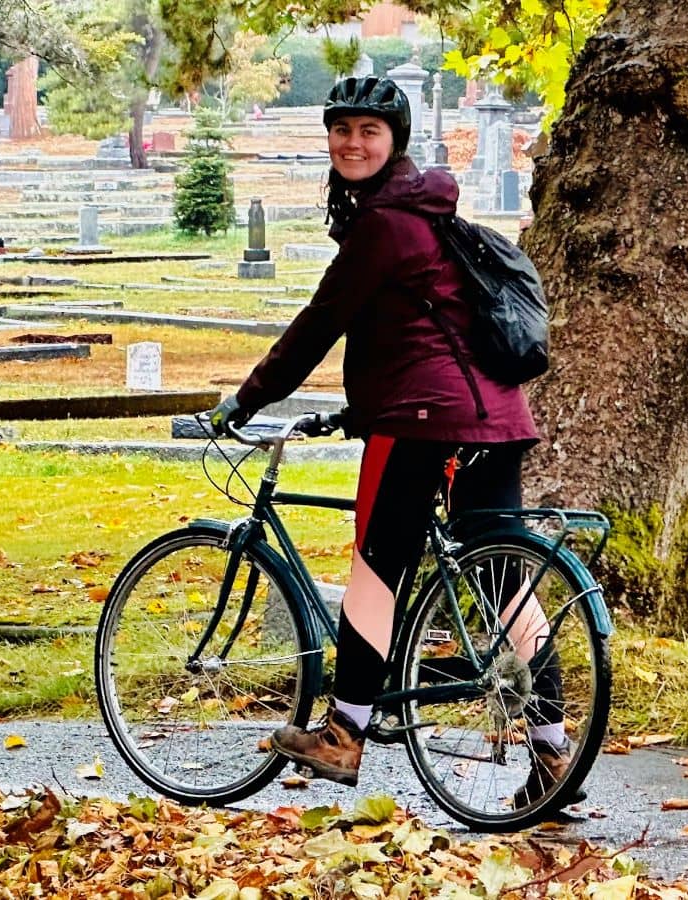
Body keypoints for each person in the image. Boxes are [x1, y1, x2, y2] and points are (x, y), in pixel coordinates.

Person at [206, 75, 570, 808]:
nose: (353, 142)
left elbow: (319, 322)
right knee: (505, 585)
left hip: (426, 423)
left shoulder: (385, 224)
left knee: (376, 571)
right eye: (342, 130)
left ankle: (344, 736)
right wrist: (361, 408)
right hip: (493, 419)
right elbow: (417, 333)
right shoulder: (422, 213)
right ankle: (555, 753)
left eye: (369, 132)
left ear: (394, 142)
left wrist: (246, 399)